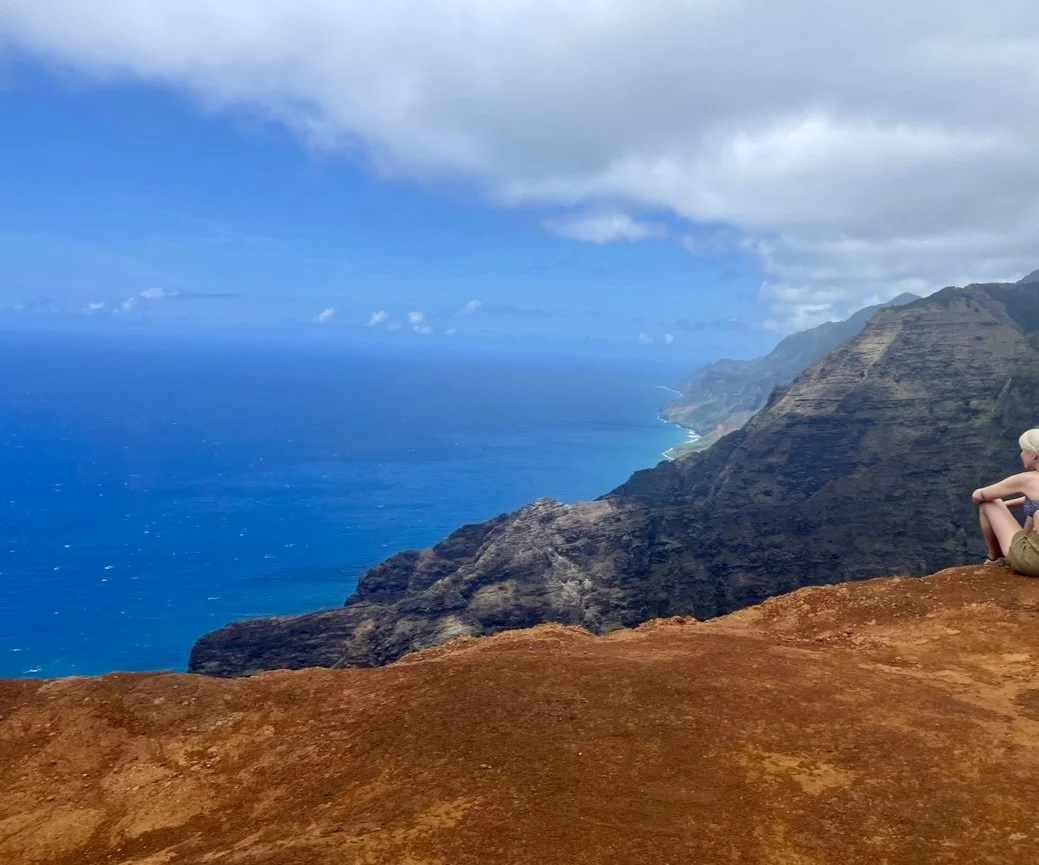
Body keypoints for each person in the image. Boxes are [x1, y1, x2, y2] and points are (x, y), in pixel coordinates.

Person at [973, 428, 1039, 576]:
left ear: (1034, 455)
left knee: (989, 503)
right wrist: (1005, 506)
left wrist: (998, 506)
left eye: (1023, 450)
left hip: (1034, 562)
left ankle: (995, 559)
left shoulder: (1027, 479)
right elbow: (1034, 499)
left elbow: (978, 495)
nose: (1021, 454)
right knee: (1032, 506)